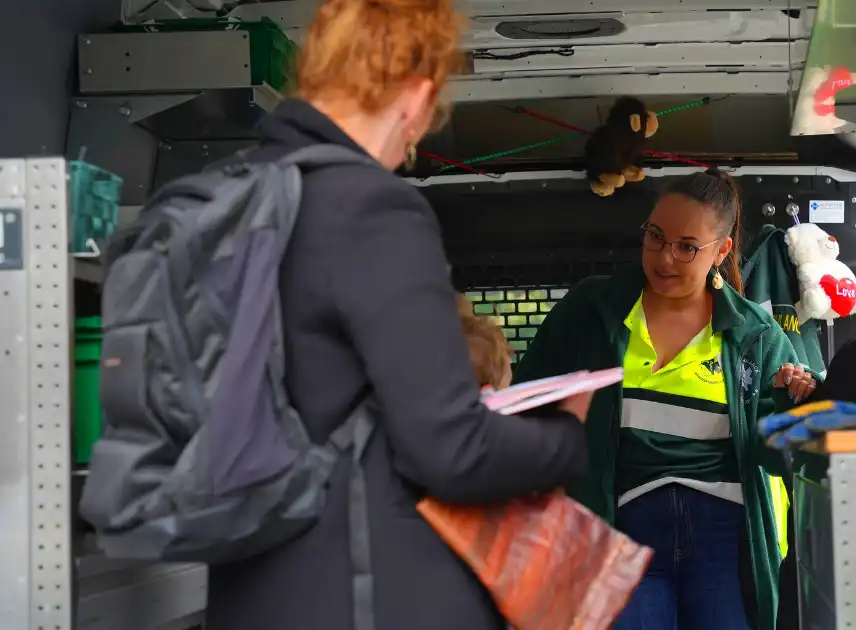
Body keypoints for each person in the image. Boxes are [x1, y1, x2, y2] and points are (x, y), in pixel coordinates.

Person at [202, 1, 591, 629]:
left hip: (249, 597)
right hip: (366, 595)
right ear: (415, 95)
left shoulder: (225, 197)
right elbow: (450, 451)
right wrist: (566, 438)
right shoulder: (370, 211)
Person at [514, 169, 818, 630]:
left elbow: (778, 455)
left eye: (686, 247)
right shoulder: (591, 310)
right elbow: (527, 404)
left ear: (721, 252)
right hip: (622, 531)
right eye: (655, 237)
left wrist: (794, 402)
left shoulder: (756, 333)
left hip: (724, 539)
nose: (664, 257)